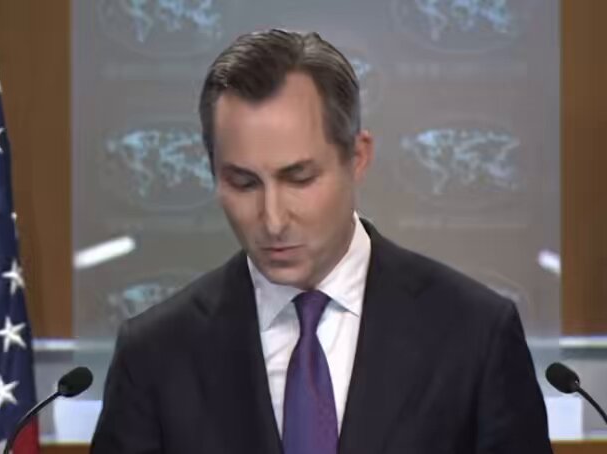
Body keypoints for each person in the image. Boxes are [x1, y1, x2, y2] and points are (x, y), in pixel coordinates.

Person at [91, 29, 552, 454]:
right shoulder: (153, 355)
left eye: (299, 178)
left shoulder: (475, 335)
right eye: (244, 183)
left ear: (358, 156)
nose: (273, 220)